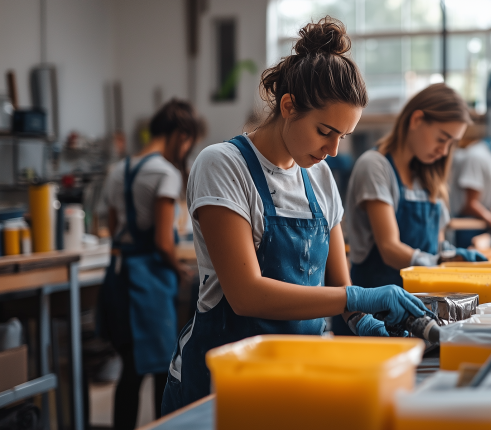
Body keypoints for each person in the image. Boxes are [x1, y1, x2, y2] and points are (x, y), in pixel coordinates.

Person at [160, 17, 427, 414]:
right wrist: (356, 297)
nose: (333, 150)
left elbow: (340, 288)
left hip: (301, 376)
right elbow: (246, 294)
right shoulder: (223, 165)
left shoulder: (319, 177)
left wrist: (368, 323)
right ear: (288, 106)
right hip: (224, 386)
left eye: (343, 136)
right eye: (325, 131)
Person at [339, 84, 485, 334]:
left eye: (452, 144)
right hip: (375, 317)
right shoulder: (375, 166)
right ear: (416, 119)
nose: (444, 151)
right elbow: (390, 249)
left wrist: (453, 256)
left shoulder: (430, 177)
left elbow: (436, 244)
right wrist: (437, 261)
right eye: (442, 139)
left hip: (422, 312)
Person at [99, 99, 199, 429]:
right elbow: (162, 241)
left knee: (130, 367)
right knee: (161, 368)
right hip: (152, 283)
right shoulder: (165, 173)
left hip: (120, 277)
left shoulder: (117, 171)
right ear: (181, 135)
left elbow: (113, 229)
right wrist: (180, 270)